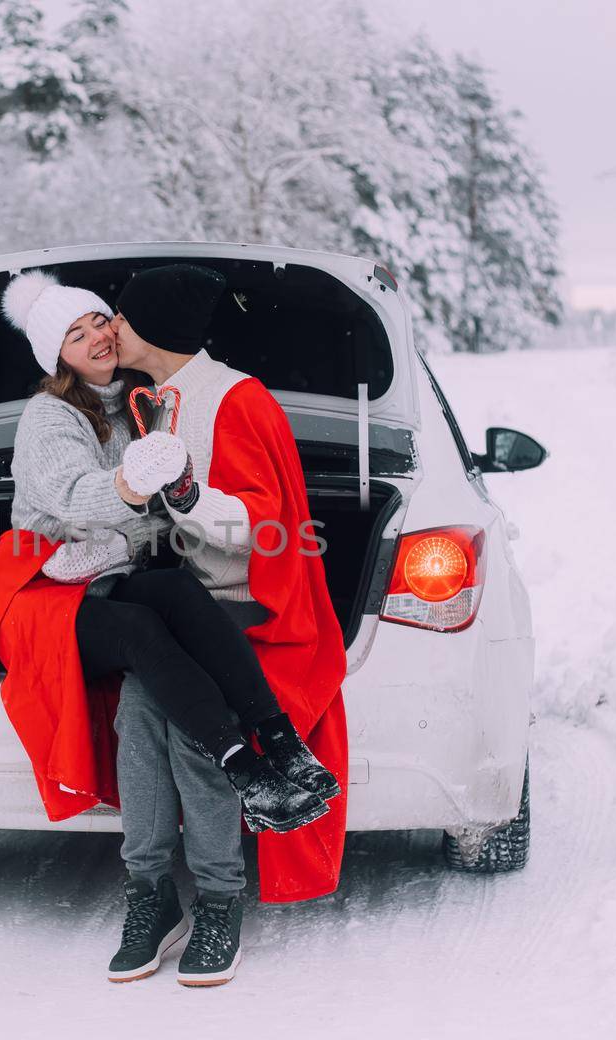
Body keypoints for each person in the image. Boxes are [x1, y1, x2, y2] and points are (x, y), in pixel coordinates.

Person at [0, 271, 335, 838]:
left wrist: (120, 542)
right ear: (56, 359)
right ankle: (245, 770)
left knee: (178, 591)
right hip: (38, 588)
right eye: (75, 335)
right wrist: (127, 489)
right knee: (141, 630)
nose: (98, 337)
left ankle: (283, 745)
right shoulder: (49, 416)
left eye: (99, 320)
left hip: (102, 572)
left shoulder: (136, 406)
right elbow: (71, 498)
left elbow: (161, 517)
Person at [93, 263, 353, 987]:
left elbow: (262, 528)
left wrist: (185, 493)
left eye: (122, 314)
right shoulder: (149, 398)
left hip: (248, 608)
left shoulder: (234, 400)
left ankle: (218, 899)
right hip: (176, 600)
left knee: (190, 722)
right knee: (139, 714)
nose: (112, 327)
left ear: (159, 328)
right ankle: (150, 893)